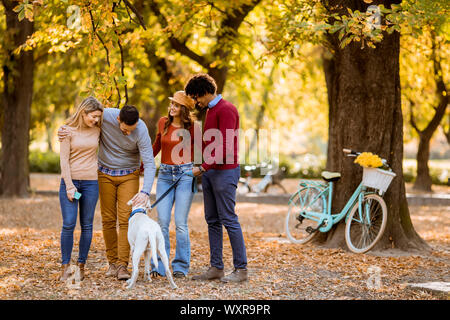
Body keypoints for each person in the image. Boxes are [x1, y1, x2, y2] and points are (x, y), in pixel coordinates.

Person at [59, 104, 156, 281]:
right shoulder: (105, 116)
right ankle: (112, 264)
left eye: (131, 130)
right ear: (118, 119)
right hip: (104, 174)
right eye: (125, 130)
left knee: (127, 219)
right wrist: (64, 129)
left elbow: (149, 162)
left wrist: (145, 192)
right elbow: (86, 112)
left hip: (129, 175)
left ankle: (122, 266)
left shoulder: (141, 130)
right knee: (108, 219)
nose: (128, 133)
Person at [186, 73, 248, 283]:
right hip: (211, 172)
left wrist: (203, 167)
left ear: (204, 92)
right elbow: (211, 143)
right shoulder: (211, 110)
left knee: (229, 219)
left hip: (225, 171)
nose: (196, 102)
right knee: (212, 220)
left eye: (196, 97)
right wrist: (199, 163)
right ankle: (216, 267)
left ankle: (241, 269)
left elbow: (226, 146)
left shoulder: (227, 109)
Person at [151, 91, 199, 278]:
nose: (172, 107)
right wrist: (141, 164)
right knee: (162, 222)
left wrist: (197, 169)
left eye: (177, 105)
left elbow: (199, 152)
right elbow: (156, 146)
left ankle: (180, 266)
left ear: (184, 109)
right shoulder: (163, 122)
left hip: (185, 175)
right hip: (164, 175)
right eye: (172, 104)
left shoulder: (193, 127)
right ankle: (160, 266)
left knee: (180, 223)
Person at [59, 96, 103, 281]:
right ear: (83, 113)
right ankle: (65, 266)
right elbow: (64, 161)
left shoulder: (99, 130)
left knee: (87, 225)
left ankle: (81, 265)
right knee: (69, 223)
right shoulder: (66, 131)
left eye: (98, 117)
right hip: (71, 182)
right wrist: (69, 186)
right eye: (93, 116)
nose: (96, 120)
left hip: (92, 182)